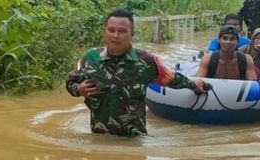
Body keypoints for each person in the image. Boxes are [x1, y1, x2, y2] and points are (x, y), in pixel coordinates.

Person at [65, 9, 206, 136]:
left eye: (122, 31)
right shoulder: (91, 58)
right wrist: (78, 89)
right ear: (105, 32)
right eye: (111, 30)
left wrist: (194, 85)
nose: (115, 35)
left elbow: (171, 79)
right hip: (99, 140)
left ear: (132, 34)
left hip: (134, 142)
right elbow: (70, 82)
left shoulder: (146, 62)